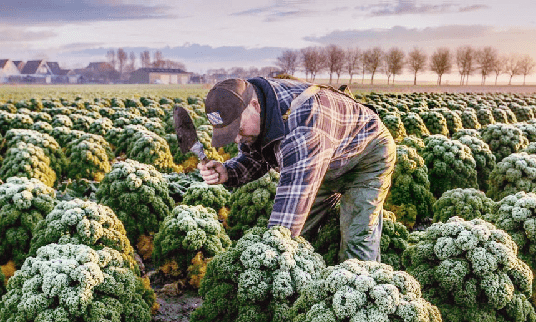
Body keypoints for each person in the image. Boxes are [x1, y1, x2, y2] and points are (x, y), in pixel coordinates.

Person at [197, 77, 396, 262]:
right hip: (322, 157)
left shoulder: (302, 129)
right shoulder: (255, 103)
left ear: (255, 106)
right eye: (230, 133)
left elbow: (285, 226)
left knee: (357, 241)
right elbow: (257, 156)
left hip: (366, 158)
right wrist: (229, 171)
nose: (237, 139)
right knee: (304, 232)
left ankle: (364, 284)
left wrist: (267, 261)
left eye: (238, 130)